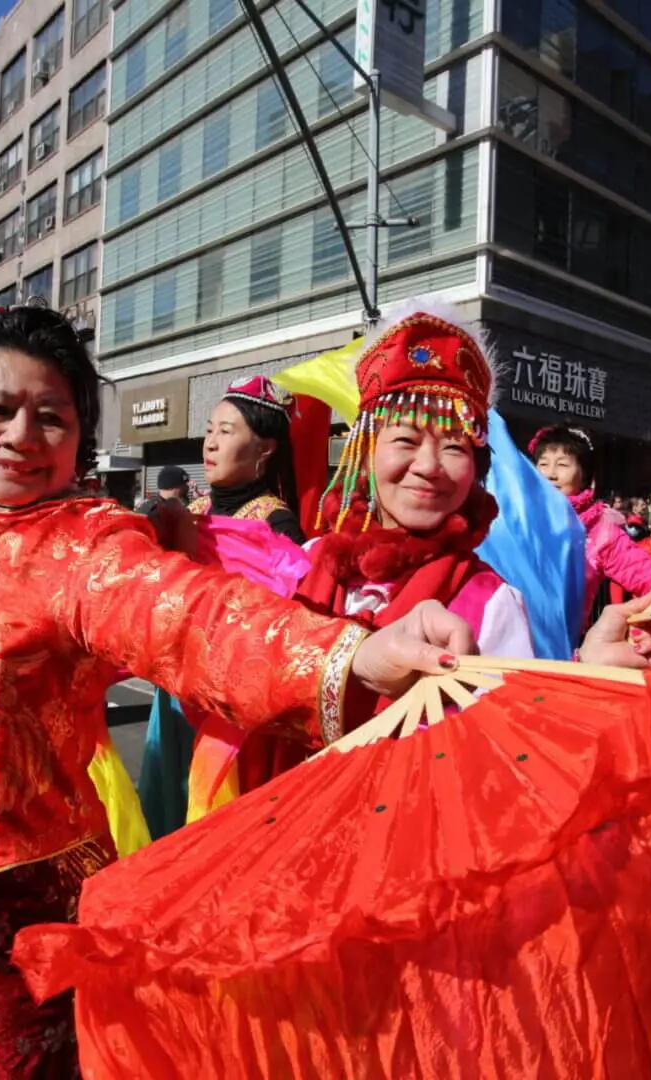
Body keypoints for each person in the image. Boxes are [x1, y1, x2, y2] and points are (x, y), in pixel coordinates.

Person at [0, 304, 466, 1078]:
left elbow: (197, 620)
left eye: (52, 418)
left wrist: (359, 657)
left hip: (0, 927)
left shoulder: (83, 549)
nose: (23, 437)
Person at [228, 305, 537, 795]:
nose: (430, 465)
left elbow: (509, 762)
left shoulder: (493, 602)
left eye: (455, 447)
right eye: (406, 439)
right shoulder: (303, 562)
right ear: (365, 452)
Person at [531, 424, 651, 622]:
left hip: (556, 648)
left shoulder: (599, 530)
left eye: (562, 465)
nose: (550, 474)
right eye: (543, 464)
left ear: (584, 477)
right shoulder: (512, 514)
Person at [192, 375, 306, 545]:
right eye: (209, 430)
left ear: (265, 448)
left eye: (225, 431)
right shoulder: (192, 512)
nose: (210, 444)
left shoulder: (277, 525)